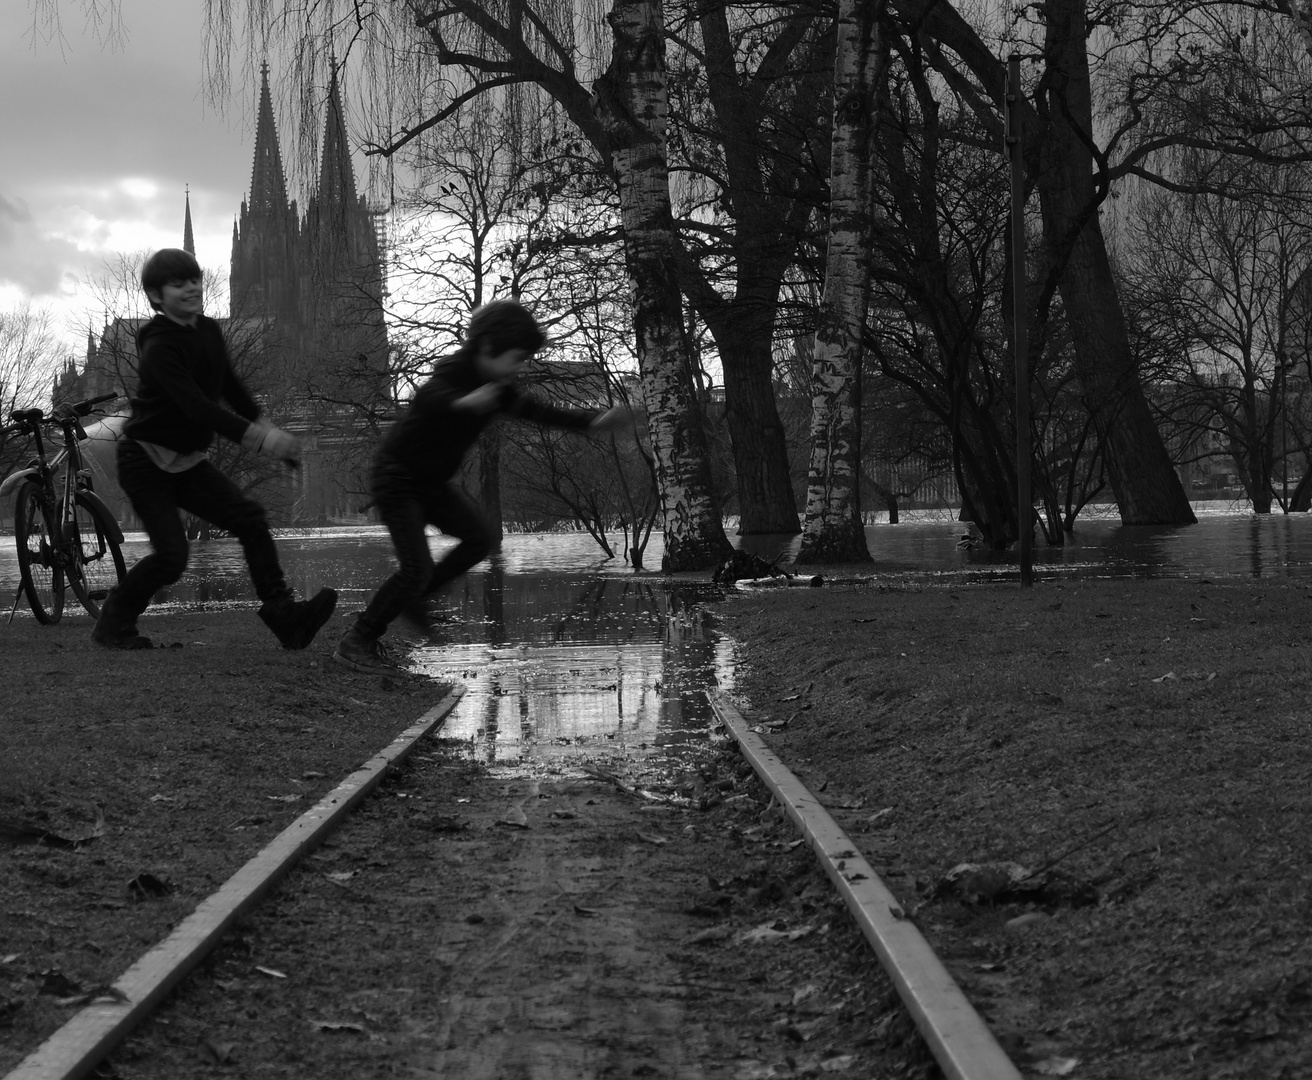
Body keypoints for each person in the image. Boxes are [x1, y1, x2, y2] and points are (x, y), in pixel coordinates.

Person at [334, 298, 631, 673]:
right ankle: (357, 641)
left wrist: (592, 422)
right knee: (415, 567)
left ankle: (417, 599)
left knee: (480, 539)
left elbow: (540, 412)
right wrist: (464, 402)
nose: (520, 366)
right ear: (489, 346)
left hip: (432, 484)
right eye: (517, 357)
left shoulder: (499, 387)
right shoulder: (454, 370)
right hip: (397, 478)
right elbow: (428, 397)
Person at [92, 248, 337, 650]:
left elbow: (230, 388)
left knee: (250, 518)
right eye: (178, 283)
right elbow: (197, 407)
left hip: (187, 461)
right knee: (172, 558)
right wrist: (259, 439)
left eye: (194, 279)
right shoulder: (159, 349)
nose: (190, 288)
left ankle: (284, 615)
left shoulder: (207, 330)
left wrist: (266, 426)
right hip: (145, 460)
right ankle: (113, 623)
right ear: (156, 296)